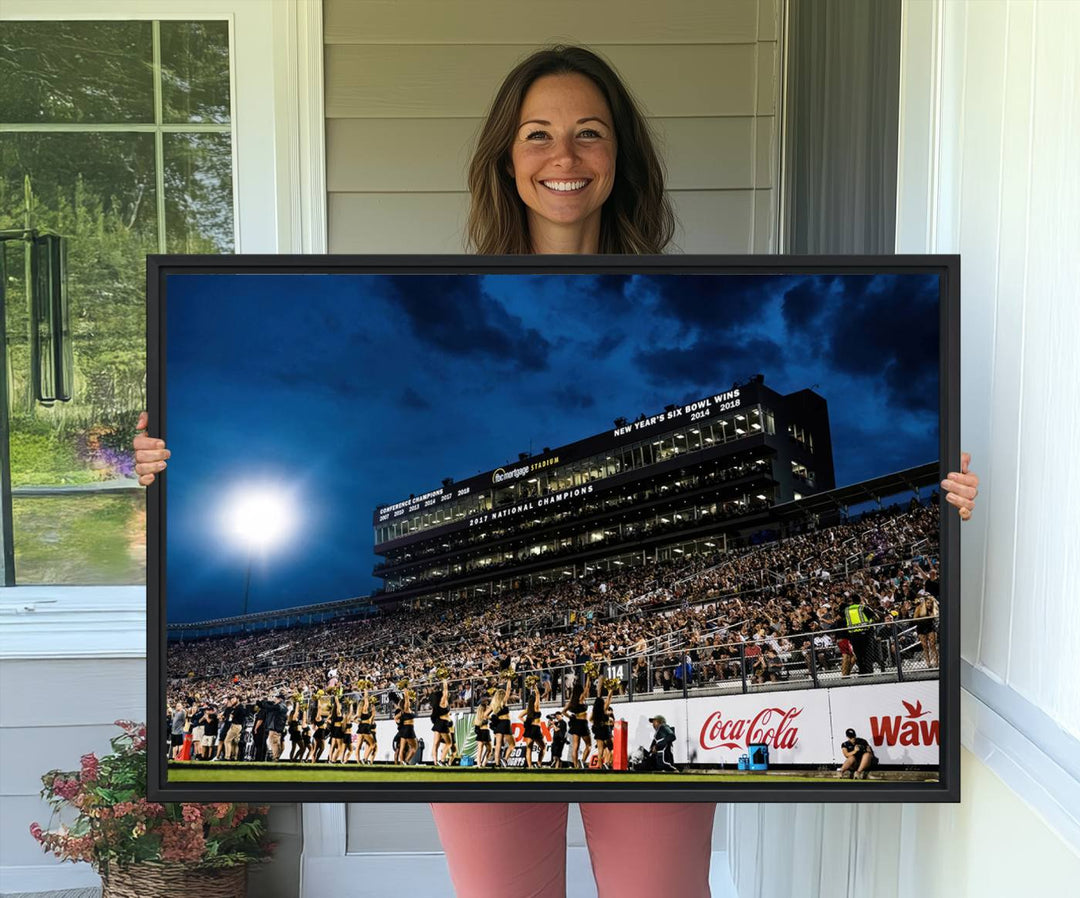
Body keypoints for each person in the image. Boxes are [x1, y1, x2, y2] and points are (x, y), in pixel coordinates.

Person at [135, 42, 981, 898]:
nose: (564, 157)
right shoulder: (445, 290)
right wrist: (156, 468)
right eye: (538, 134)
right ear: (506, 158)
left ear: (621, 158)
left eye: (589, 133)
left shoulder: (686, 291)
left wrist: (947, 505)